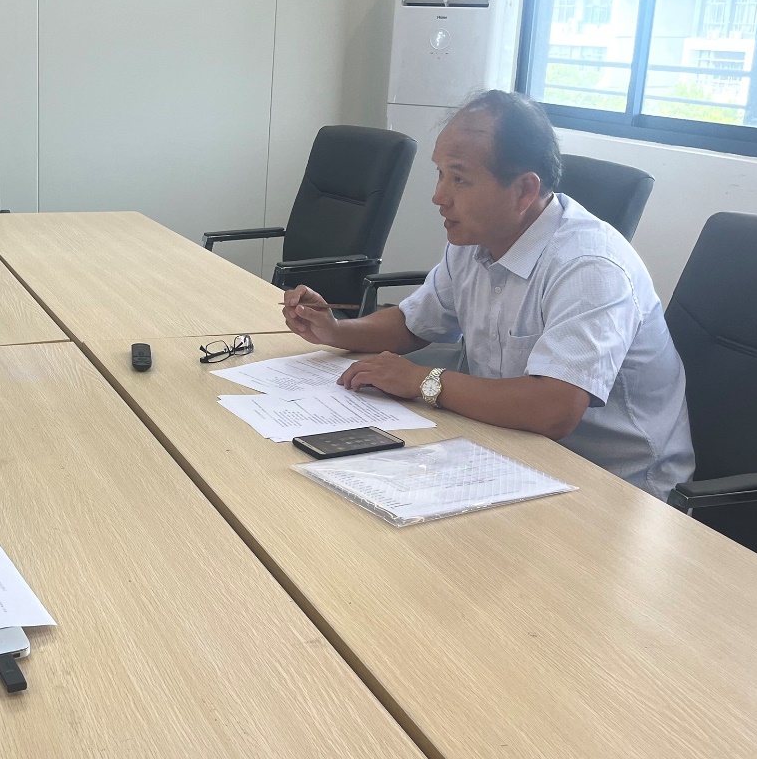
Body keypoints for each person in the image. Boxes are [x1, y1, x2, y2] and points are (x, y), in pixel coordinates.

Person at [282, 90, 694, 499]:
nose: (439, 197)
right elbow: (413, 323)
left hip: (616, 486)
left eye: (459, 179)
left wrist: (423, 380)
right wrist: (336, 330)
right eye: (440, 174)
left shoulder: (590, 267)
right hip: (508, 450)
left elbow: (554, 409)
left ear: (524, 191)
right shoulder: (476, 239)